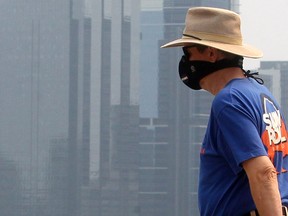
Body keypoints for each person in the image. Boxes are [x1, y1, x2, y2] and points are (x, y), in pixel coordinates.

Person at [161, 7, 288, 216]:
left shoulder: (229, 101)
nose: (186, 61)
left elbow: (264, 173)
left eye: (188, 51)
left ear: (211, 54)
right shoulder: (261, 94)